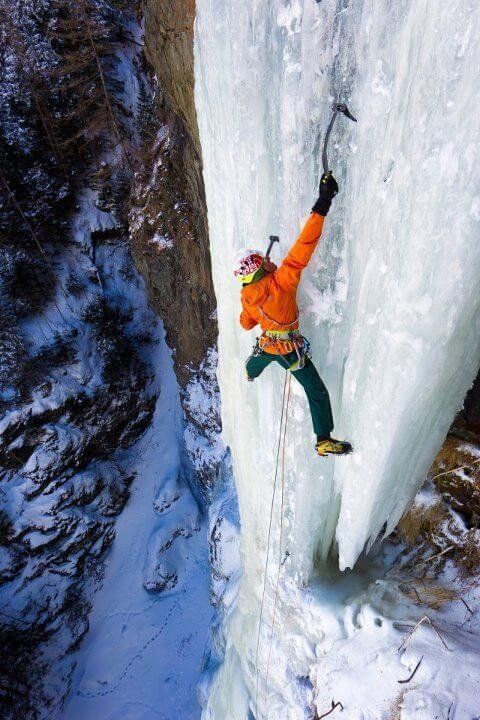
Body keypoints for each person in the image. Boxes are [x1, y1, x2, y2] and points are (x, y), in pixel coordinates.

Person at [234, 172, 352, 457]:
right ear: (261, 269)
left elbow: (246, 322)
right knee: (317, 391)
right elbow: (302, 248)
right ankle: (323, 439)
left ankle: (250, 373)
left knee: (256, 363)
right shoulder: (281, 283)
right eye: (266, 261)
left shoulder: (247, 297)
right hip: (289, 350)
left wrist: (253, 314)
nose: (271, 261)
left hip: (269, 346)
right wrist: (323, 203)